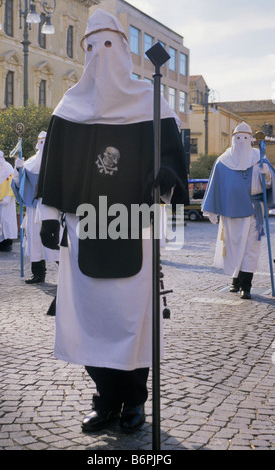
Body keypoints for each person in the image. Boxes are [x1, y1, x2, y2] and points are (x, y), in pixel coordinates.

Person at [36, 9, 188, 433]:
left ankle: (134, 401)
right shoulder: (71, 106)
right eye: (91, 46)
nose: (99, 55)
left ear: (122, 48)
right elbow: (53, 168)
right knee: (88, 320)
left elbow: (174, 160)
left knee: (130, 321)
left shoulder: (150, 101)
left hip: (131, 226)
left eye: (107, 45)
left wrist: (167, 178)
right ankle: (105, 400)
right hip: (84, 230)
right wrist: (49, 215)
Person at [202, 121, 275, 299]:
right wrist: (212, 210)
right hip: (231, 212)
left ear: (251, 139)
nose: (242, 142)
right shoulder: (222, 161)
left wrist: (267, 174)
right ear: (233, 139)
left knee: (251, 249)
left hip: (254, 210)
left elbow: (269, 185)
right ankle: (235, 280)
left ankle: (246, 286)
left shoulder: (260, 157)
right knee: (234, 248)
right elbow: (215, 186)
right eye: (238, 138)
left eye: (246, 138)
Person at [12, 131, 59, 284]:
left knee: (55, 239)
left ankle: (68, 273)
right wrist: (18, 171)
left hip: (52, 206)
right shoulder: (28, 163)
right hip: (33, 209)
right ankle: (38, 273)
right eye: (41, 141)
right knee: (34, 240)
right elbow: (19, 186)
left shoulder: (56, 161)